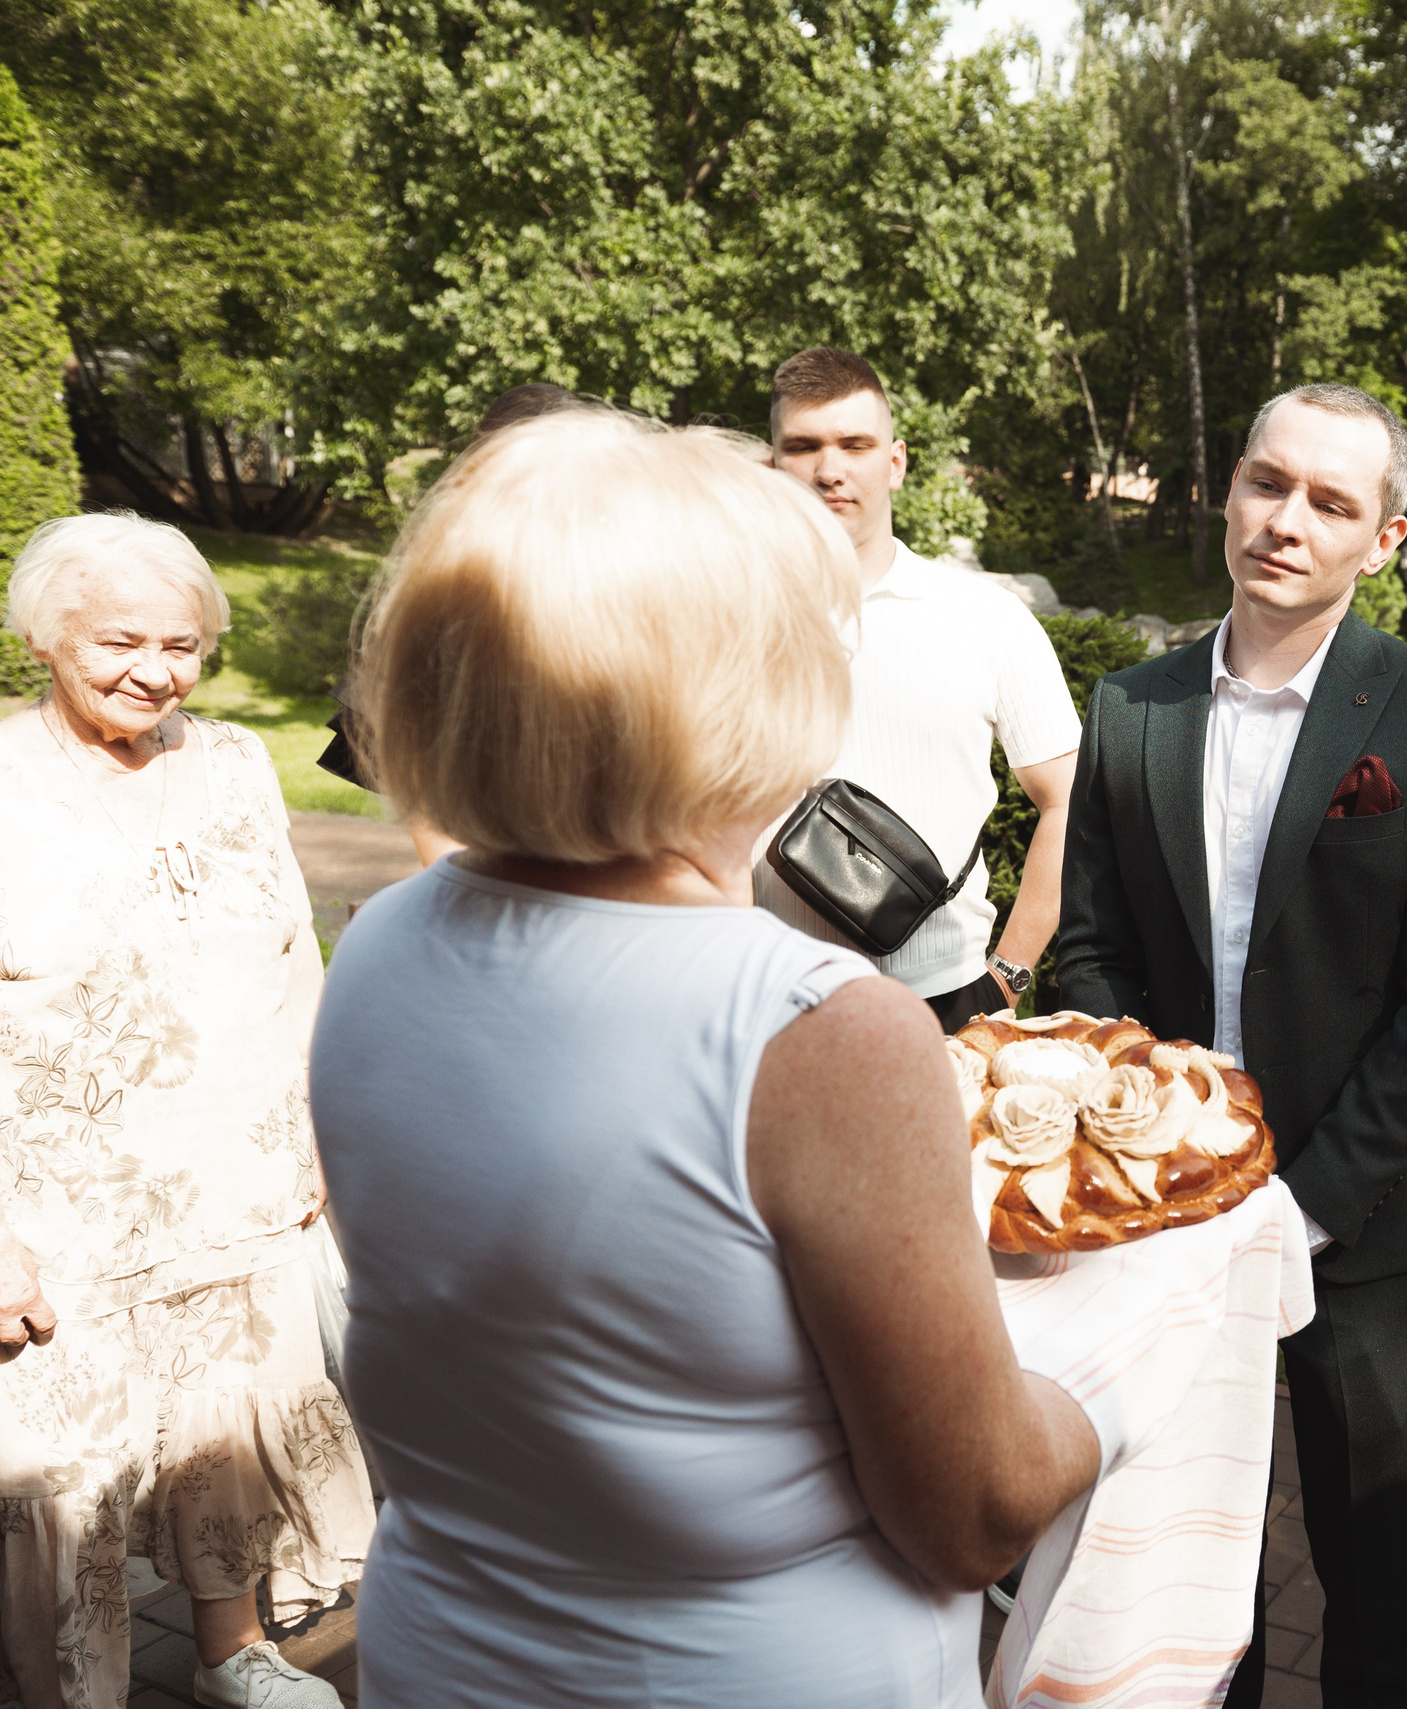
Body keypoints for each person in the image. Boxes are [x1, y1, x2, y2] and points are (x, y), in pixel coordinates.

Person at [307, 407, 1104, 1707]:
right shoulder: (818, 1026)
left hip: (445, 1652)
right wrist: (1116, 1376)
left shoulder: (387, 940)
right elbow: (972, 1512)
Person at [1052, 382, 1407, 1709]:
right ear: (1230, 490)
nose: (1286, 520)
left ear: (1385, 538)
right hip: (1174, 1210)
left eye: (1330, 501)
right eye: (1269, 483)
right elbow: (1095, 953)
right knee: (1196, 1547)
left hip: (1363, 1218)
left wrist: (1305, 1202)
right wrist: (1171, 1164)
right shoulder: (1131, 705)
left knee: (1367, 1547)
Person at [0, 513, 373, 1709]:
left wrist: (319, 1116)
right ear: (50, 634)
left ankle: (231, 1652)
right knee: (71, 1475)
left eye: (182, 644)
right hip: (60, 1209)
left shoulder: (235, 763)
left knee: (232, 1446)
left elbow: (289, 953)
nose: (154, 672)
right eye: (120, 640)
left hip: (237, 1176)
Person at [760, 347, 1081, 1030]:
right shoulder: (721, 620)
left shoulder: (987, 617)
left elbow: (1069, 803)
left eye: (855, 443)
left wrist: (1010, 977)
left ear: (896, 462)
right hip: (764, 1001)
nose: (830, 468)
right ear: (772, 464)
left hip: (950, 1001)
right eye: (804, 446)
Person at [317, 379, 580, 869]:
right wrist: (461, 887)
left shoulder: (619, 588)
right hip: (476, 874)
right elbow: (415, 780)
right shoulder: (439, 591)